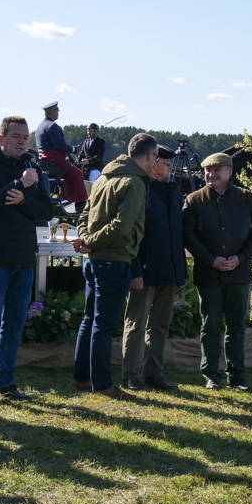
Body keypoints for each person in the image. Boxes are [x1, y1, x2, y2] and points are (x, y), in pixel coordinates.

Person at [0, 116, 53, 404]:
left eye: (26, 137)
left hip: (24, 257)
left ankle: (4, 381)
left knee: (14, 323)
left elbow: (47, 210)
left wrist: (24, 199)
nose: (22, 142)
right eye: (16, 136)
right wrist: (20, 184)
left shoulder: (33, 168)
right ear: (1, 139)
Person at [71, 133, 156, 399]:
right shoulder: (135, 182)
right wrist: (89, 242)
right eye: (156, 158)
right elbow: (121, 227)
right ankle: (102, 384)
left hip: (93, 260)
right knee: (103, 325)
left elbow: (84, 214)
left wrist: (85, 240)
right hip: (114, 259)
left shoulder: (104, 177)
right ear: (150, 156)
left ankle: (82, 377)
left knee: (90, 319)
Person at [182, 152, 252, 391]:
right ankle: (211, 374)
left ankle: (236, 376)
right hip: (208, 274)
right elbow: (188, 235)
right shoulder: (194, 200)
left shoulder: (246, 198)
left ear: (230, 172)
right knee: (209, 326)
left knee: (237, 326)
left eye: (217, 170)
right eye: (207, 170)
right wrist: (211, 260)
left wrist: (240, 259)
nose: (211, 174)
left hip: (239, 273)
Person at [121, 145, 185, 391]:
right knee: (136, 323)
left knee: (160, 324)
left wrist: (178, 270)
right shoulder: (140, 188)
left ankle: (154, 372)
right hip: (145, 269)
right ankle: (131, 374)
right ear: (154, 163)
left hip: (167, 268)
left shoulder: (172, 189)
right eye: (166, 163)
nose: (170, 167)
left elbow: (176, 230)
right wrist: (135, 270)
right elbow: (132, 233)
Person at [34, 101, 88, 209]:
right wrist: (73, 149)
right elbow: (59, 145)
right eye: (57, 110)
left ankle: (66, 198)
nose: (58, 113)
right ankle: (79, 205)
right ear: (53, 112)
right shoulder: (52, 126)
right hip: (55, 159)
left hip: (45, 159)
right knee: (77, 174)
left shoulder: (40, 126)